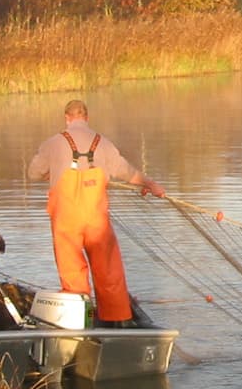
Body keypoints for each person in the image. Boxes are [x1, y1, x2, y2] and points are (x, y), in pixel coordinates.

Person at [27, 100, 164, 327]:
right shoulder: (104, 144)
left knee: (73, 274)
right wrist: (149, 184)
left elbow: (33, 173)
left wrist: (51, 171)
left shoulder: (53, 143)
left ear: (66, 118)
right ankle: (118, 322)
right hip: (97, 221)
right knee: (109, 270)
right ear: (87, 118)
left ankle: (81, 323)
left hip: (66, 221)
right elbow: (127, 172)